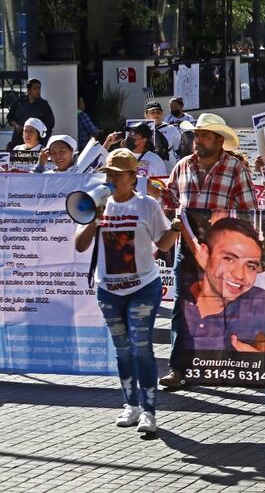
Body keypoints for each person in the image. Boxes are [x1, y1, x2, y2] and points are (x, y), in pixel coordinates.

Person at [74, 149, 182, 435]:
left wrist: (176, 228)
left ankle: (149, 411)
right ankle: (130, 405)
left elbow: (164, 243)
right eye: (108, 173)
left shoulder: (146, 205)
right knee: (122, 351)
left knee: (141, 348)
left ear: (133, 178)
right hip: (108, 290)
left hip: (143, 288)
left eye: (117, 175)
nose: (111, 179)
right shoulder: (96, 202)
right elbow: (80, 245)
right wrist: (93, 220)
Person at [157, 113, 257, 390]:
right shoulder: (182, 166)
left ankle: (224, 364)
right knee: (181, 307)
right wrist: (168, 210)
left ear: (219, 140)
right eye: (197, 135)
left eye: (203, 135)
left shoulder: (235, 169)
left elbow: (251, 211)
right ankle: (178, 368)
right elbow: (170, 197)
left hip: (220, 254)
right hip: (187, 249)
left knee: (224, 306)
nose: (197, 140)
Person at [177, 217, 265, 355]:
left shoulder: (259, 303)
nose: (240, 275)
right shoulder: (183, 299)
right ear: (204, 254)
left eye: (250, 266)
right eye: (229, 259)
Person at [7, 78, 55, 149]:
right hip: (18, 139)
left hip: (36, 143)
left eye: (39, 88)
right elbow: (10, 117)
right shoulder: (20, 102)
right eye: (35, 88)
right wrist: (17, 126)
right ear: (28, 90)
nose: (38, 90)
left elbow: (50, 124)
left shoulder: (43, 105)